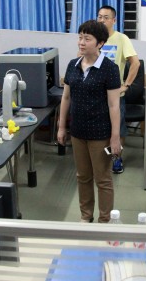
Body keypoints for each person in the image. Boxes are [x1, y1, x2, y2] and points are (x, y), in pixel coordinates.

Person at [57, 20, 121, 223]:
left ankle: (105, 220)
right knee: (82, 176)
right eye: (80, 37)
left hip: (100, 133)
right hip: (78, 131)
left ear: (100, 43)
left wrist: (115, 137)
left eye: (87, 38)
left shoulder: (109, 68)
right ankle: (86, 216)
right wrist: (61, 126)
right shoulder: (73, 65)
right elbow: (66, 97)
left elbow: (114, 105)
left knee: (103, 179)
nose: (81, 42)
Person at [97, 5, 139, 174]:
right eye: (99, 17)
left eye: (106, 17)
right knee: (98, 130)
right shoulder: (93, 37)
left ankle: (116, 158)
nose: (102, 20)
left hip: (115, 95)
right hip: (95, 95)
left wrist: (126, 85)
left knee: (118, 129)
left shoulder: (121, 39)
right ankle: (99, 159)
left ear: (114, 20)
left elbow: (135, 63)